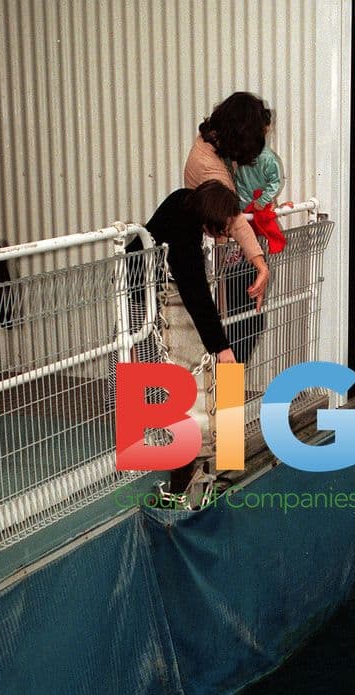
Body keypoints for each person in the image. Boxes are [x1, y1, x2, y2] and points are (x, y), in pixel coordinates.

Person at [126, 180, 241, 500]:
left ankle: (202, 454)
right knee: (146, 367)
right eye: (224, 229)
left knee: (158, 374)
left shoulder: (185, 201)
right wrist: (221, 347)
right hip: (138, 294)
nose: (226, 235)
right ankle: (159, 452)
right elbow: (196, 293)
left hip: (150, 287)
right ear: (210, 219)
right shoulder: (185, 236)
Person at [184, 91, 271, 312]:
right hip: (211, 260)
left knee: (245, 323)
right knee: (235, 325)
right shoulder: (209, 167)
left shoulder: (214, 145)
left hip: (220, 257)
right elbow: (234, 218)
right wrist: (261, 265)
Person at [234, 110, 289, 254]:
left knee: (258, 248)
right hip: (244, 209)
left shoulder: (267, 158)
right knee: (248, 250)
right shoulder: (239, 155)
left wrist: (263, 201)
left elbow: (275, 182)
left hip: (256, 209)